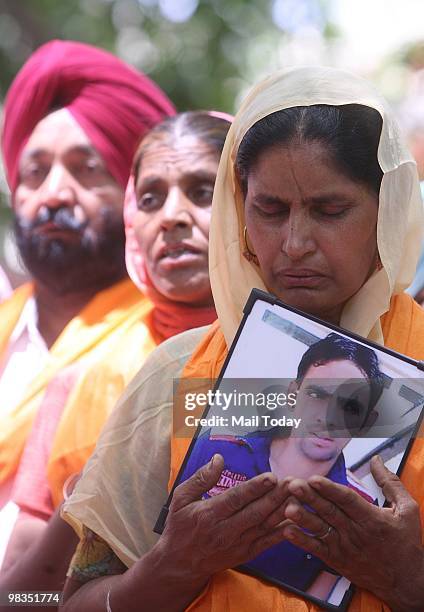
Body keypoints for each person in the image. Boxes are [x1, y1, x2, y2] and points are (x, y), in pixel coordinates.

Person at [62, 67, 424, 612]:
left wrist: (405, 579)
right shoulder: (181, 374)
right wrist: (171, 567)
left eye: (330, 211)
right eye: (270, 210)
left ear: (387, 212)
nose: (295, 243)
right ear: (240, 210)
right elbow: (74, 601)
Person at [0, 112, 231, 598]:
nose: (171, 215)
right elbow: (22, 597)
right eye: (150, 198)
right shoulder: (82, 377)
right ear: (132, 218)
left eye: (203, 191)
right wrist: (81, 511)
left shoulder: (307, 361)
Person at [0, 39, 174, 566]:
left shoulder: (165, 343)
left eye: (86, 169)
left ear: (131, 196)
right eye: (35, 172)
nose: (54, 192)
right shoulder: (7, 323)